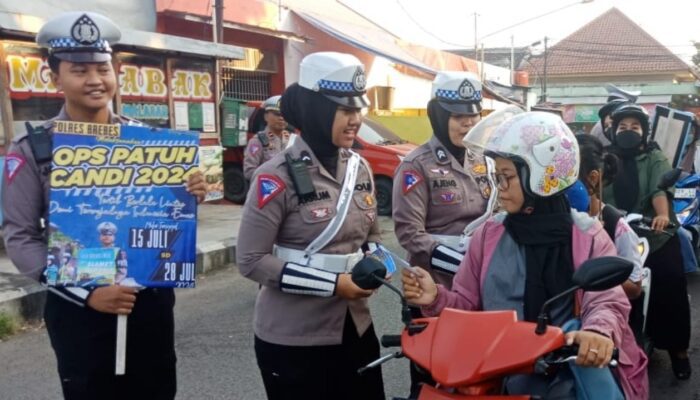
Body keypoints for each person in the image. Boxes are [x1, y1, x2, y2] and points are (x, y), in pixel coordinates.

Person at [1, 12, 206, 399]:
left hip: (147, 299)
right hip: (78, 307)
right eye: (79, 70)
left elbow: (167, 219)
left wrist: (190, 193)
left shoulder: (151, 145)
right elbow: (21, 237)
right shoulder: (34, 149)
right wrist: (88, 293)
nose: (95, 80)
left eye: (103, 68)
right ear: (55, 77)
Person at [402, 109, 648, 399]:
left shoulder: (587, 235)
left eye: (507, 177)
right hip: (492, 373)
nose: (500, 189)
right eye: (496, 177)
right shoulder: (489, 235)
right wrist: (435, 297)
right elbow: (467, 305)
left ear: (542, 176)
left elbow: (606, 301)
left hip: (563, 372)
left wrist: (597, 333)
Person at [236, 52, 385, 400]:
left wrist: (379, 266)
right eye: (345, 110)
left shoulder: (359, 169)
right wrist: (335, 285)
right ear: (316, 109)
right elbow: (252, 259)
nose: (356, 120)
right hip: (294, 340)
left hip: (357, 329)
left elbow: (373, 239)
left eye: (358, 109)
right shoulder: (275, 176)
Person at [602, 103, 692, 380]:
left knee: (670, 280)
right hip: (613, 235)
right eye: (623, 127)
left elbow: (658, 188)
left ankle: (679, 351)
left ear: (644, 132)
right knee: (600, 287)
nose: (628, 132)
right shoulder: (605, 158)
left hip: (654, 235)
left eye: (635, 127)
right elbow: (594, 188)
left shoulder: (654, 157)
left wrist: (663, 216)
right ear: (613, 131)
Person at [392, 71, 491, 288]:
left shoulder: (487, 160)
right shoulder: (416, 165)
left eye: (474, 115)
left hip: (481, 279)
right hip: (435, 282)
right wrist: (463, 265)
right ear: (438, 116)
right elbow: (409, 232)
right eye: (458, 117)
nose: (468, 123)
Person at [566, 134, 643, 299]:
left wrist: (597, 276)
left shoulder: (617, 228)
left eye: (568, 177)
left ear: (593, 178)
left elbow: (635, 287)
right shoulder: (557, 220)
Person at [243, 95, 290, 181]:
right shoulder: (258, 141)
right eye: (277, 114)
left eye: (285, 114)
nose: (282, 118)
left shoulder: (292, 139)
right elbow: (249, 172)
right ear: (266, 116)